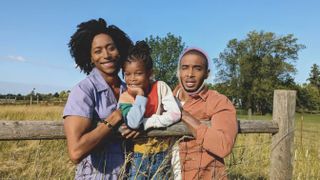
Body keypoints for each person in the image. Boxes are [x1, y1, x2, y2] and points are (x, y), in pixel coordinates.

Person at [63, 18, 138, 179]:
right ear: (90, 57)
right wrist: (116, 116)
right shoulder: (83, 90)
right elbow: (76, 152)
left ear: (120, 51)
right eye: (98, 51)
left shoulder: (130, 90)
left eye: (111, 48)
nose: (106, 55)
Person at [172, 48, 238, 179]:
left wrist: (183, 114)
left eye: (197, 68)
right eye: (185, 68)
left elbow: (223, 145)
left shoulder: (218, 101)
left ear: (206, 73)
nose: (190, 74)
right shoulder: (166, 98)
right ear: (179, 71)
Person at [118, 41, 181, 179]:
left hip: (162, 153)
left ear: (149, 73)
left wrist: (148, 122)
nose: (132, 79)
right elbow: (133, 123)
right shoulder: (125, 97)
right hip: (137, 155)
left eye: (138, 73)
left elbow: (175, 114)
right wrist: (140, 95)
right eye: (127, 74)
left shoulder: (160, 87)